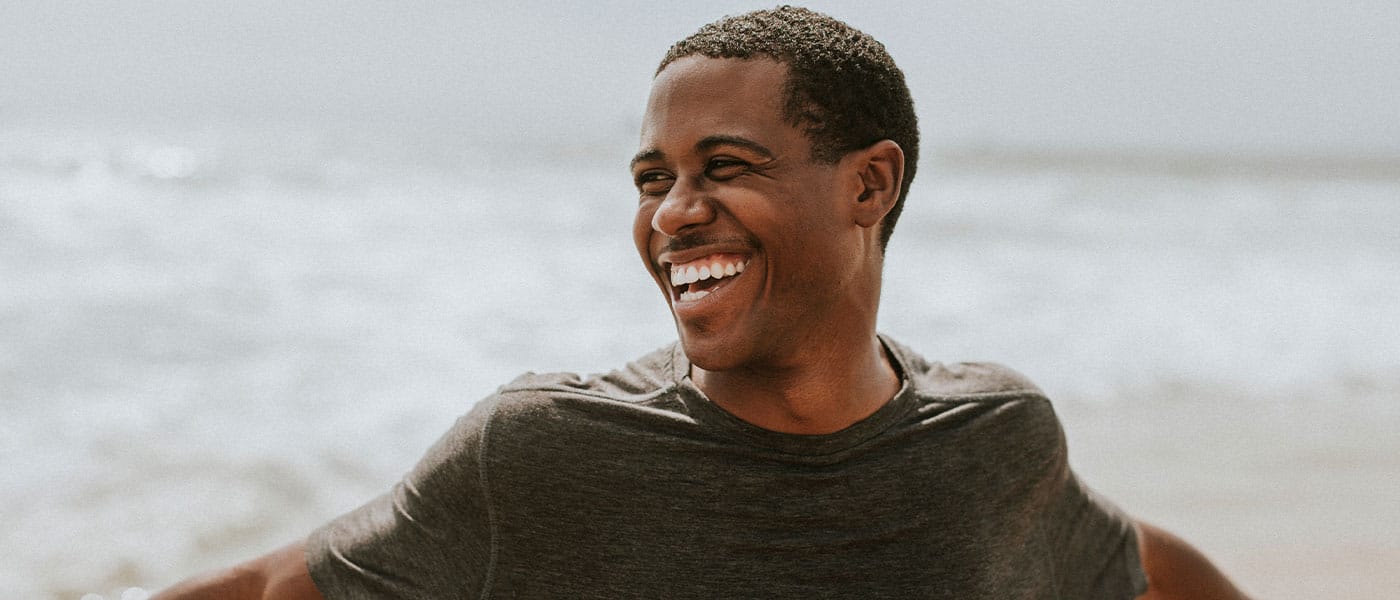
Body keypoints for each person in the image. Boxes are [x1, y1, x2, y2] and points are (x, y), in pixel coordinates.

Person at [155, 6, 1249, 599]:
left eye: (723, 166)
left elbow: (1143, 567)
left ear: (868, 183)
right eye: (651, 178)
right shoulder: (546, 454)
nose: (673, 212)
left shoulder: (992, 439)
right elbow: (270, 588)